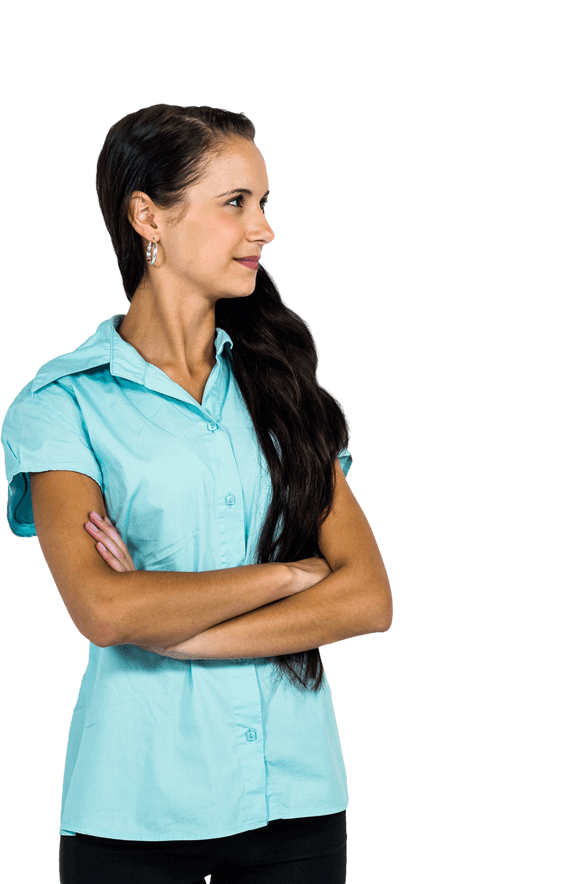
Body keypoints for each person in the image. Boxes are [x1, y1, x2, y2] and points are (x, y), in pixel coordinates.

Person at [1, 104, 393, 883]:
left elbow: (369, 599)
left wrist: (175, 626)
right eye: (234, 203)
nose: (264, 231)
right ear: (149, 216)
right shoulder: (63, 406)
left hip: (298, 797)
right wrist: (288, 575)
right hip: (137, 808)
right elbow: (105, 612)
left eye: (264, 204)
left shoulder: (284, 389)